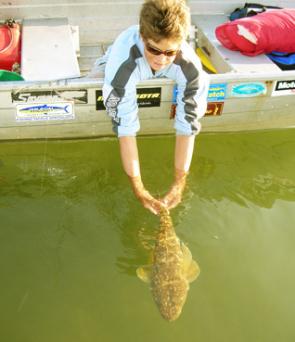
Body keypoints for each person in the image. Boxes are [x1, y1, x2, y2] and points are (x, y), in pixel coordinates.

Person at [102, 0, 209, 215]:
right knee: (110, 92)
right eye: (154, 49)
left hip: (172, 70)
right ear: (143, 38)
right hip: (125, 65)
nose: (161, 60)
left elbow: (188, 126)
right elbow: (126, 130)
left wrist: (179, 185)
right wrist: (140, 190)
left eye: (170, 52)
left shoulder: (190, 67)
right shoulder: (122, 67)